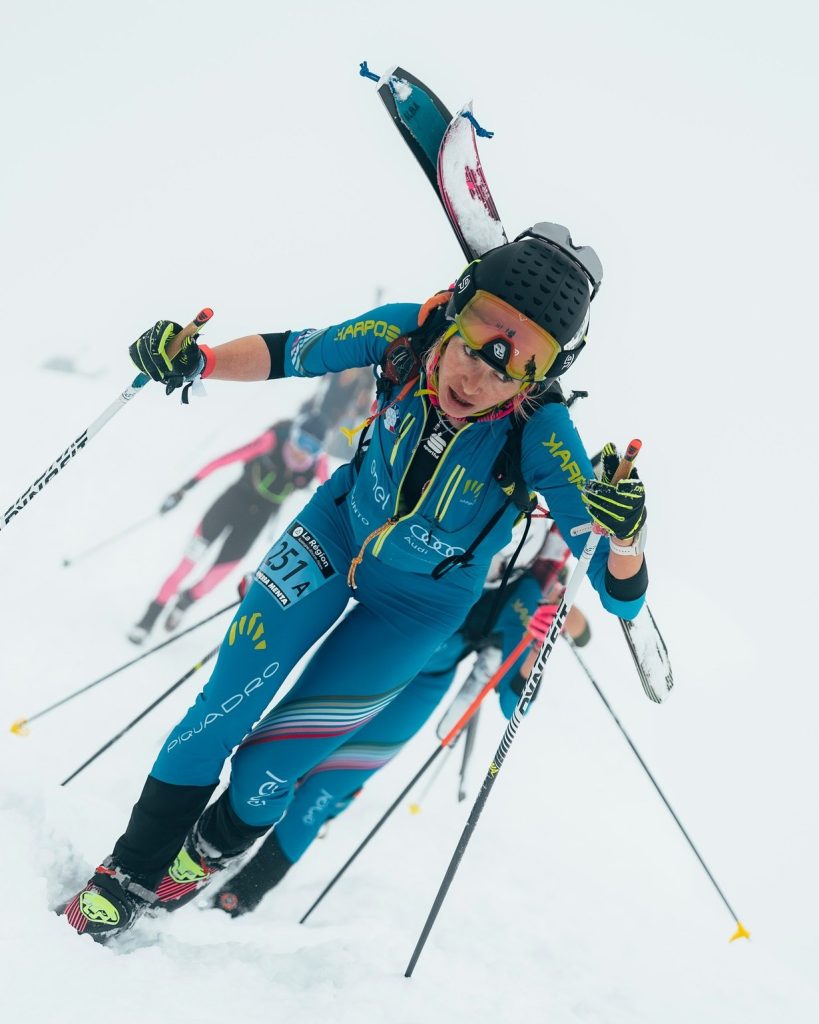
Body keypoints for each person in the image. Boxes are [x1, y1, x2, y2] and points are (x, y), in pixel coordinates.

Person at [62, 222, 648, 941]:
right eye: (470, 347)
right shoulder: (406, 334)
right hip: (332, 532)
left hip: (416, 611)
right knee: (220, 711)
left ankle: (203, 856)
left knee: (270, 768)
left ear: (539, 376)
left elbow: (615, 586)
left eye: (509, 372)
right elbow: (291, 351)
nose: (475, 381)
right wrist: (197, 360)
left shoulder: (543, 434)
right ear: (455, 312)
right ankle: (124, 877)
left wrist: (626, 538)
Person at [210, 519, 590, 918]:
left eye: (503, 559)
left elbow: (517, 704)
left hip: (421, 685)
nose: (492, 563)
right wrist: (274, 590)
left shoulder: (526, 593)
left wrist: (539, 643)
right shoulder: (447, 530)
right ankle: (211, 853)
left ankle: (237, 899)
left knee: (326, 788)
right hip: (374, 654)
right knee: (281, 759)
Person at [128, 412, 331, 643]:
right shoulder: (272, 440)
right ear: (293, 435)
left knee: (212, 581)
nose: (302, 451)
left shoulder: (317, 464)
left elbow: (332, 498)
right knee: (184, 567)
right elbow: (224, 460)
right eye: (301, 441)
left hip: (255, 522)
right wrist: (184, 489)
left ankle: (186, 601)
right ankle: (148, 620)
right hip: (230, 504)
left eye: (312, 448)